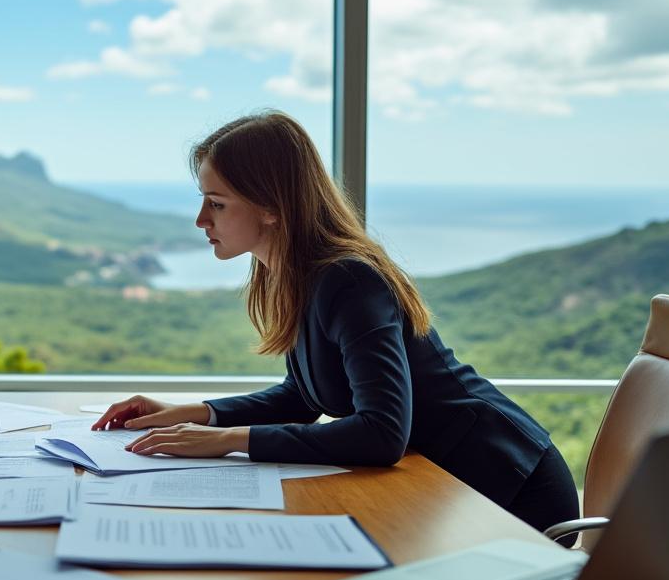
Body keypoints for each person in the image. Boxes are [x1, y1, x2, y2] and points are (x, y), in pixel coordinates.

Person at [94, 111, 579, 536]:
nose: (201, 219)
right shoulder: (291, 274)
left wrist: (228, 441)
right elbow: (304, 397)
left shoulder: (349, 279)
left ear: (271, 207)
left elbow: (382, 432)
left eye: (217, 203)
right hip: (439, 478)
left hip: (507, 486)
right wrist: (195, 413)